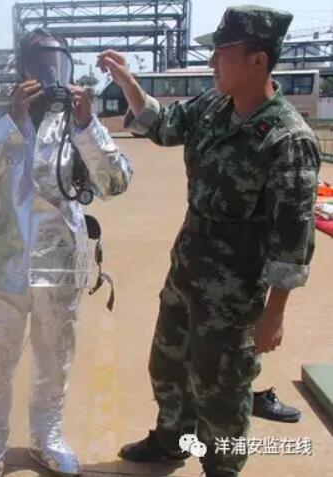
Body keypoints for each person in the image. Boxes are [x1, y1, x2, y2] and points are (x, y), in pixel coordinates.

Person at [98, 5, 320, 477]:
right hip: (187, 268)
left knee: (222, 388)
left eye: (223, 54)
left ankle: (222, 467)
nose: (213, 62)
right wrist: (127, 82)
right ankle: (172, 441)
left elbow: (292, 240)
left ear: (258, 61)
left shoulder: (288, 139)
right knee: (168, 365)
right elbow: (163, 124)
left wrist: (274, 313)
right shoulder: (214, 107)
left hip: (235, 293)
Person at [0, 28, 133, 477]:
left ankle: (47, 438)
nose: (48, 74)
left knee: (55, 364)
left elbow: (115, 182)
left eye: (56, 64)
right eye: (38, 65)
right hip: (4, 267)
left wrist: (88, 127)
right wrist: (11, 123)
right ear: (22, 70)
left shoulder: (76, 124)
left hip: (60, 269)